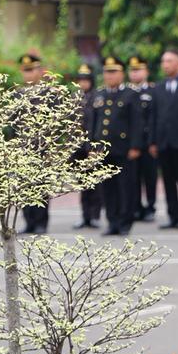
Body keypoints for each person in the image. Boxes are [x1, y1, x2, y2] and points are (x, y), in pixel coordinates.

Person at [90, 55, 143, 236]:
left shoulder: (131, 94)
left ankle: (125, 222)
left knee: (125, 187)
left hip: (124, 148)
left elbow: (137, 123)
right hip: (104, 150)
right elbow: (94, 123)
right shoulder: (99, 94)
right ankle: (112, 221)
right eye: (107, 72)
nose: (110, 76)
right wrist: (93, 147)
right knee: (107, 188)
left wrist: (135, 146)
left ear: (122, 74)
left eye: (113, 72)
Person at [151, 49, 178, 230]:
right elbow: (154, 116)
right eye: (163, 61)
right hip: (164, 142)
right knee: (168, 181)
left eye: (169, 61)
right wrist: (153, 141)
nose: (165, 65)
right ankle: (173, 215)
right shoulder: (158, 87)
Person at [17, 52, 51, 234]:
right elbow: (13, 124)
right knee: (24, 187)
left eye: (31, 70)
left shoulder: (49, 94)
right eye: (25, 71)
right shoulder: (19, 94)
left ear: (40, 71)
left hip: (42, 147)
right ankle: (29, 221)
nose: (28, 74)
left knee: (40, 186)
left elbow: (57, 123)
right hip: (23, 148)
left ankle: (40, 222)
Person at [127, 55, 158, 223]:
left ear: (146, 71)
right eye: (132, 70)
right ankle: (135, 207)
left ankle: (150, 206)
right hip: (131, 143)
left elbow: (155, 119)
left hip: (147, 142)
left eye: (138, 70)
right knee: (133, 178)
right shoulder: (126, 93)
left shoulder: (153, 91)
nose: (135, 73)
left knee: (150, 177)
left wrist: (154, 141)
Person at [73, 63, 103, 230]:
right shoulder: (75, 98)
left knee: (94, 183)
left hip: (92, 147)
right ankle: (85, 216)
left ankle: (95, 215)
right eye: (80, 80)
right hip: (79, 147)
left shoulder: (97, 98)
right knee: (82, 183)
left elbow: (97, 125)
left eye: (85, 80)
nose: (82, 83)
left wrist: (95, 148)